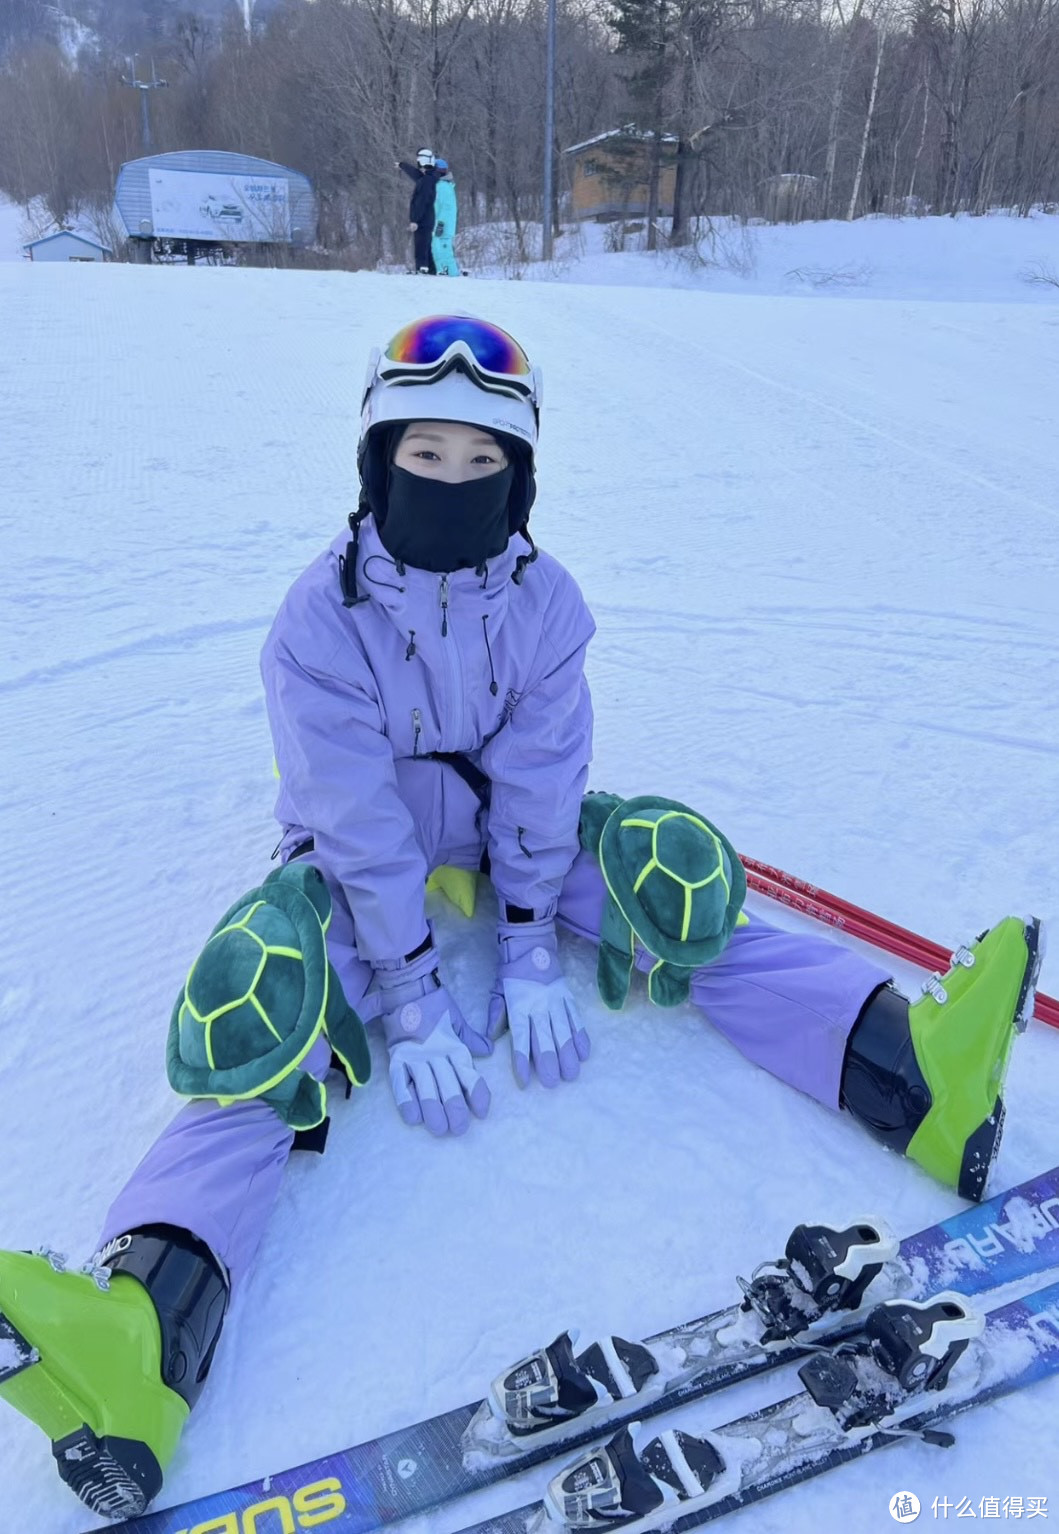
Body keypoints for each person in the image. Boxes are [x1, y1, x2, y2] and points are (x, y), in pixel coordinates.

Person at [0, 314, 1040, 1523]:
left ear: (521, 476)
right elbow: (357, 817)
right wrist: (406, 989)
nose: (449, 483)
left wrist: (535, 941)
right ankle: (143, 1330)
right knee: (271, 1000)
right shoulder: (316, 620)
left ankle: (909, 1072)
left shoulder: (549, 606)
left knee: (659, 887)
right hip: (358, 854)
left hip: (505, 827)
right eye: (424, 457)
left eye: (482, 463)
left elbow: (544, 779)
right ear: (378, 460)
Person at [397, 147, 440, 274]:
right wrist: (403, 166)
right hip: (427, 219)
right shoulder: (430, 178)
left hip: (423, 220)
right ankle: (431, 273)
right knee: (426, 249)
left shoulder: (427, 180)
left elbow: (421, 201)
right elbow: (418, 176)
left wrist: (415, 220)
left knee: (421, 249)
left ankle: (423, 272)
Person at [431, 159, 460, 277]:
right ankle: (442, 273)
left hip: (443, 226)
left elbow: (447, 207)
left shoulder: (443, 187)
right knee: (437, 251)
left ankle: (452, 276)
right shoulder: (440, 185)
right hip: (439, 225)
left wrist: (441, 224)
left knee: (444, 252)